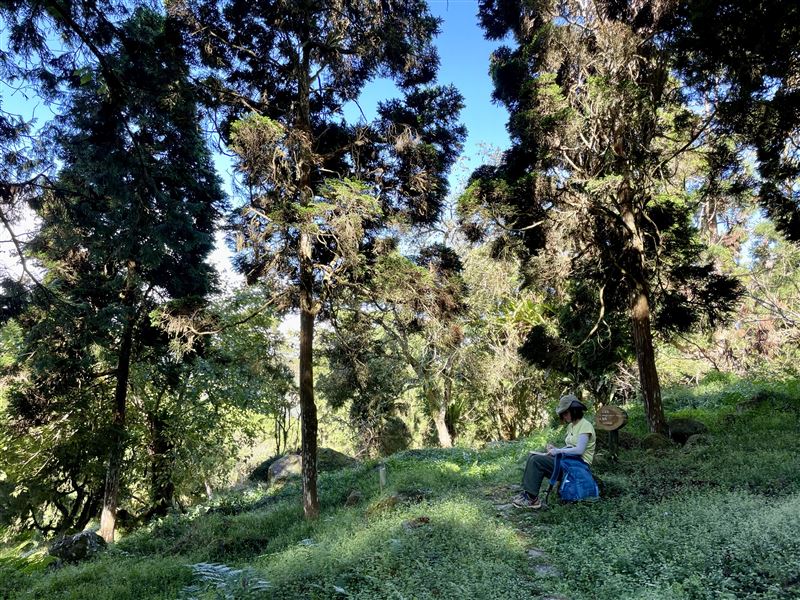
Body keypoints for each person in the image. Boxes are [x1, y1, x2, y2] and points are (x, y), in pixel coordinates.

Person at [513, 393, 596, 509]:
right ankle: (528, 494)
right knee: (533, 457)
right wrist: (555, 449)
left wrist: (558, 451)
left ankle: (532, 499)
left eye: (566, 413)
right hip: (568, 462)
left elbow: (579, 450)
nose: (564, 416)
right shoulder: (571, 426)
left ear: (574, 410)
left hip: (577, 466)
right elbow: (570, 447)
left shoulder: (585, 425)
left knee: (537, 461)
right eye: (563, 414)